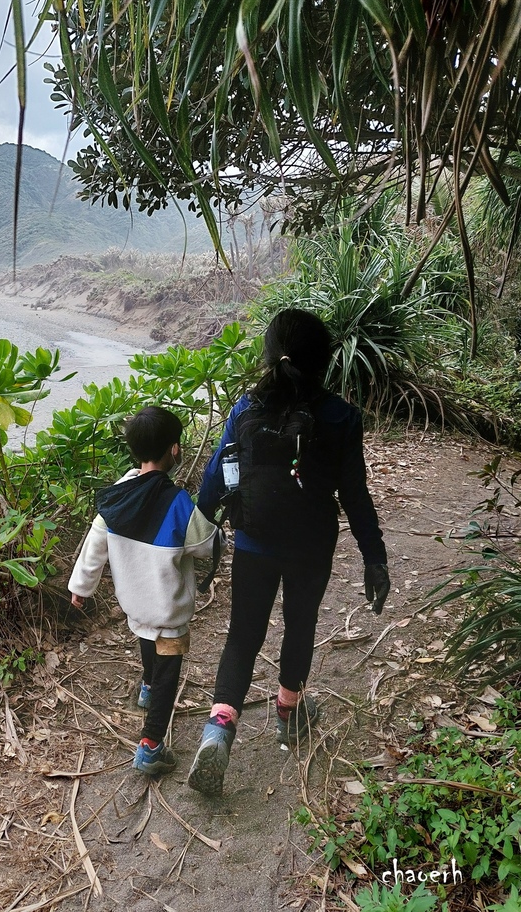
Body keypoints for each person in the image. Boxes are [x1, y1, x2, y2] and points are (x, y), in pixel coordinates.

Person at [187, 308, 390, 796]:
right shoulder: (341, 416)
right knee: (301, 624)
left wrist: (199, 530)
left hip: (254, 540)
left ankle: (218, 728)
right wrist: (374, 556)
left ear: (269, 353)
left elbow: (217, 475)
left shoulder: (245, 409)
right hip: (311, 545)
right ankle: (288, 712)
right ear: (323, 360)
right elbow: (355, 494)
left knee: (242, 636)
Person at [69, 405, 225, 776]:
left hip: (134, 602)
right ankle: (151, 745)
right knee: (169, 665)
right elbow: (206, 546)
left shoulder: (118, 495)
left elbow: (95, 545)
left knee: (144, 636)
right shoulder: (178, 503)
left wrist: (80, 588)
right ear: (174, 449)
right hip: (167, 607)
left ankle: (148, 688)